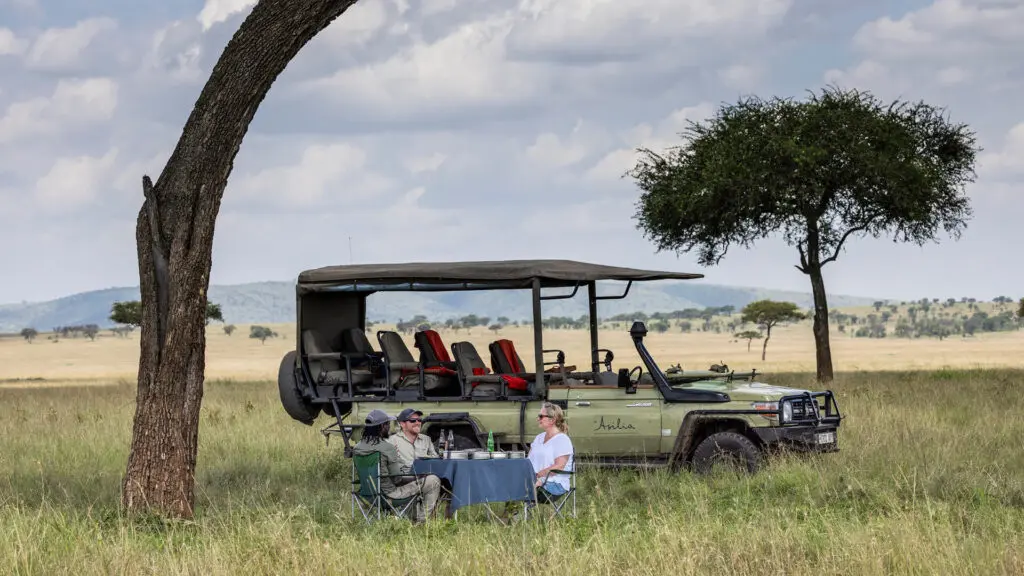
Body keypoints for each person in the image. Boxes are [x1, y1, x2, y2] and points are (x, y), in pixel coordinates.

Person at [352, 408, 441, 523]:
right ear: (382, 426)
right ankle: (422, 522)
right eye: (388, 424)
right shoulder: (387, 447)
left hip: (367, 494)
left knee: (417, 483)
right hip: (389, 495)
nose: (389, 427)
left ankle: (410, 517)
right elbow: (397, 479)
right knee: (433, 480)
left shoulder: (358, 447)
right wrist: (418, 477)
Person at [527, 401, 573, 498]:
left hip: (555, 484)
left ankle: (515, 512)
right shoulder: (539, 438)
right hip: (534, 481)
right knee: (512, 485)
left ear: (552, 420)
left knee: (522, 488)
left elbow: (559, 466)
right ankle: (510, 513)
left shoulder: (562, 440)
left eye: (541, 416)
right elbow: (528, 461)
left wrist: (539, 476)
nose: (538, 419)